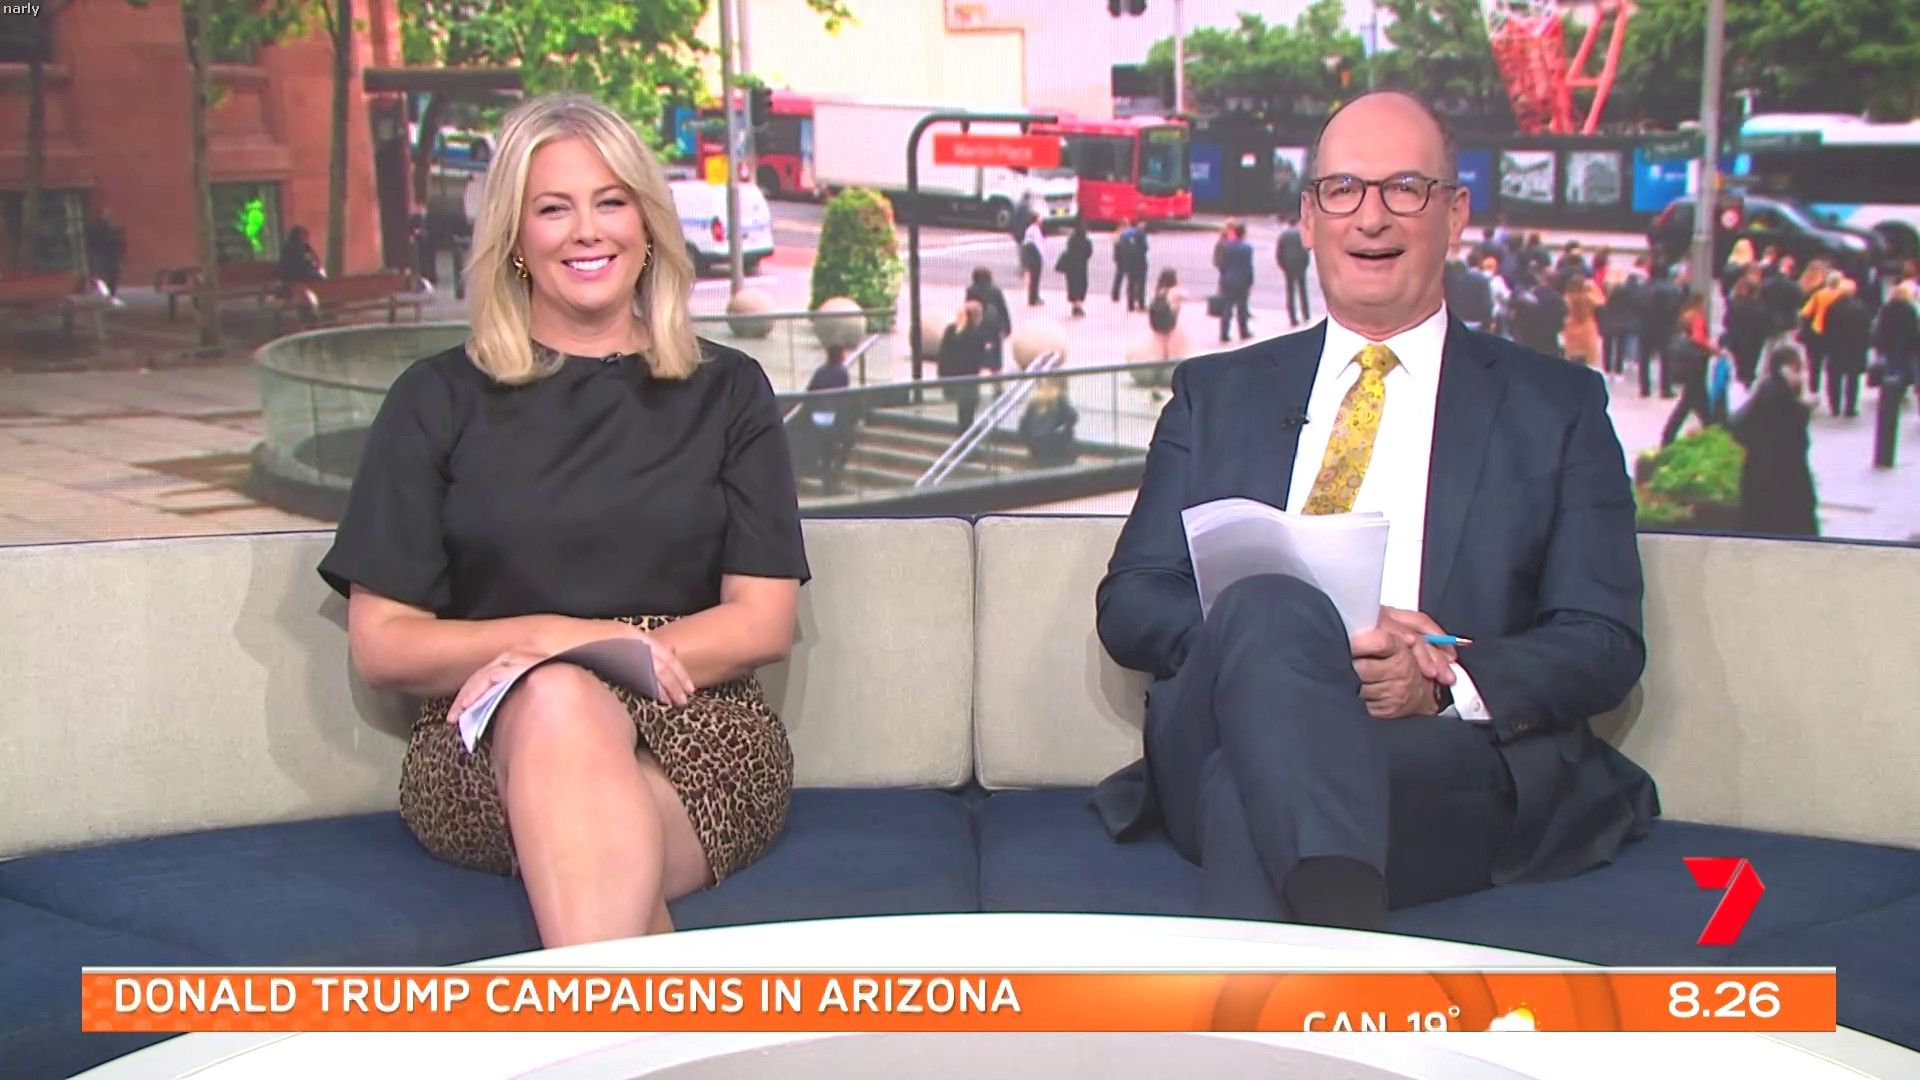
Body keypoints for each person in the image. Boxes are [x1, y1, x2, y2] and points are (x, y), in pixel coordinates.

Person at [1091, 91, 1654, 929]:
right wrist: (1279, 644)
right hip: (1225, 708)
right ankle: (1340, 944)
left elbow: (1602, 639)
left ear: (1455, 214)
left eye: (1405, 189)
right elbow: (1133, 600)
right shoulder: (1216, 394)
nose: (1371, 216)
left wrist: (1441, 678)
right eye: (1343, 189)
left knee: (1245, 789)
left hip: (1432, 748)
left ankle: (1313, 947)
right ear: (1308, 218)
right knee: (1274, 606)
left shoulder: (1556, 407)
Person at [315, 93, 809, 949]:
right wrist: (552, 644)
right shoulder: (435, 399)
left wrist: (596, 654)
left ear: (647, 224)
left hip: (698, 723)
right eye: (553, 209)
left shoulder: (729, 392)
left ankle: (595, 1017)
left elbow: (761, 621)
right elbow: (383, 644)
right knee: (554, 702)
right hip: (488, 735)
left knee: (593, 841)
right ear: (515, 237)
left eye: (611, 202)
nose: (588, 231)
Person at [1729, 345, 1818, 537]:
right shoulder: (1778, 394)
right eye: (1798, 367)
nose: (1802, 373)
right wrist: (1803, 406)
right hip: (1779, 481)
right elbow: (1793, 430)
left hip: (1763, 476)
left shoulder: (1767, 391)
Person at [1870, 281, 1919, 468]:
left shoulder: (1886, 309)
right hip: (1906, 348)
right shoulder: (1910, 310)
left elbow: (1880, 329)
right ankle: (1898, 389)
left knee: (1892, 370)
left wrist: (1880, 346)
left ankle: (1893, 389)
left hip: (1889, 348)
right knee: (1904, 370)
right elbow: (1915, 331)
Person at [1661, 292, 1719, 446]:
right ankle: (1710, 431)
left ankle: (1708, 429)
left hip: (1688, 364)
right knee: (1691, 402)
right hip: (1697, 363)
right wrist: (1713, 349)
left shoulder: (1685, 316)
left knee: (1693, 403)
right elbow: (1698, 338)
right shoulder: (1696, 316)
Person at [802, 346, 859, 494]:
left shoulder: (820, 371)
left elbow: (810, 391)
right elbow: (843, 396)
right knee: (846, 442)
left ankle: (827, 482)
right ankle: (833, 477)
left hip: (819, 416)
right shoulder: (841, 372)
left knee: (826, 450)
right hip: (833, 416)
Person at [938, 300, 994, 431]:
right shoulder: (976, 334)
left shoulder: (951, 330)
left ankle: (962, 433)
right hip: (969, 379)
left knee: (962, 411)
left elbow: (943, 354)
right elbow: (979, 358)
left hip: (952, 377)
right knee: (968, 411)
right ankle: (965, 434)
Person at [1018, 376, 1080, 466]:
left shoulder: (1036, 397)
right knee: (1072, 441)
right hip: (1052, 443)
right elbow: (1073, 416)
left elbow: (1024, 423)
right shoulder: (1060, 397)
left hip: (1033, 444)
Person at [1212, 220, 1254, 343]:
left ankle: (1224, 333)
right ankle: (1243, 331)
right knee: (1242, 307)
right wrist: (1250, 281)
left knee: (1227, 307)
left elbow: (1222, 264)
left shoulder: (1226, 246)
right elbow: (1248, 267)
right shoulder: (1247, 248)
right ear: (1243, 233)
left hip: (1228, 280)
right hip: (1242, 281)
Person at [965, 266, 1012, 373]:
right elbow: (1003, 309)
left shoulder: (971, 290)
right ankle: (996, 377)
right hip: (993, 326)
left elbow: (968, 309)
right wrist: (1007, 327)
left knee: (976, 354)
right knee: (995, 356)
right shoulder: (995, 291)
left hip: (977, 326)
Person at [1560, 271, 1606, 369]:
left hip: (1571, 329)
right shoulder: (1588, 297)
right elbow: (1601, 302)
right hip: (1587, 329)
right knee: (1588, 362)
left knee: (1572, 360)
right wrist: (1590, 288)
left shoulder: (1567, 297)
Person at [1275, 213, 1312, 327]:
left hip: (1288, 266)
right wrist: (1305, 264)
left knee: (1290, 292)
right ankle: (1306, 315)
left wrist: (1283, 266)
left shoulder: (1283, 235)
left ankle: (1292, 318)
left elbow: (1279, 253)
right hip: (1300, 264)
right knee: (1303, 291)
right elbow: (1306, 251)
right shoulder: (1302, 234)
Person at [84, 207, 127, 302]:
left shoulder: (113, 227)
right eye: (108, 215)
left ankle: (110, 293)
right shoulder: (98, 227)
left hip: (111, 255)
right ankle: (107, 293)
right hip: (102, 254)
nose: (110, 217)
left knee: (112, 274)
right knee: (104, 274)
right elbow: (93, 240)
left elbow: (120, 241)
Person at [1111, 217, 1150, 311]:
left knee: (1131, 282)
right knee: (1141, 283)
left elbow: (1119, 246)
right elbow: (1145, 247)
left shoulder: (1124, 234)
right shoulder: (1140, 233)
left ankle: (1130, 304)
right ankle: (1141, 304)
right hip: (1140, 261)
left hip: (1128, 261)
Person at [1057, 222, 1093, 318]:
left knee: (1072, 285)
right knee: (1081, 285)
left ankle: (1074, 305)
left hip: (1071, 266)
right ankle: (1078, 306)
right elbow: (1089, 253)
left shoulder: (1071, 240)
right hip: (1081, 266)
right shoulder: (1086, 242)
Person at [1021, 216, 1046, 307]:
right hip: (1035, 253)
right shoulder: (1036, 230)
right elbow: (1038, 244)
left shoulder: (1029, 229)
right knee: (1035, 278)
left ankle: (1033, 297)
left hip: (1028, 252)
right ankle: (1034, 298)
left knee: (1033, 277)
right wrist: (1043, 257)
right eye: (1039, 219)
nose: (1041, 221)